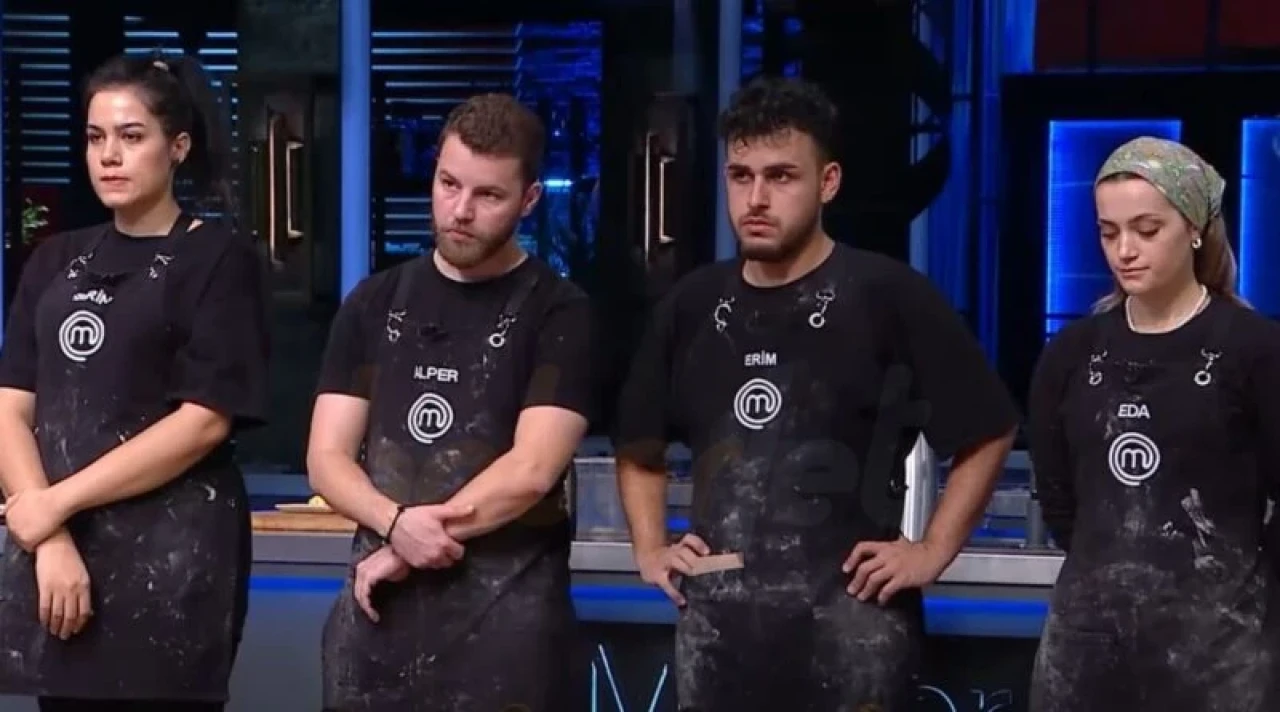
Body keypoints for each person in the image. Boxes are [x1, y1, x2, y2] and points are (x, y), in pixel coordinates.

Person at [613, 75, 1019, 711]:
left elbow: (989, 428)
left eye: (781, 177)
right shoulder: (691, 307)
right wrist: (649, 547)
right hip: (719, 642)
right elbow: (639, 447)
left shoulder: (889, 296)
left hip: (855, 634)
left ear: (828, 182)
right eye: (741, 176)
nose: (756, 198)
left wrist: (932, 550)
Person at [308, 93, 595, 712]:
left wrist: (412, 543)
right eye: (448, 184)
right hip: (375, 624)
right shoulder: (374, 301)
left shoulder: (561, 312)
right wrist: (394, 524)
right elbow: (326, 458)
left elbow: (532, 469)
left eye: (488, 195)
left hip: (508, 633)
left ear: (529, 200)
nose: (461, 211)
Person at [0, 52, 269, 712]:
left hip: (171, 557)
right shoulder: (54, 259)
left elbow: (203, 421)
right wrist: (50, 536)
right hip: (57, 557)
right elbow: (10, 409)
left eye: (131, 136)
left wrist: (53, 505)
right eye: (96, 138)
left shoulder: (218, 259)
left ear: (178, 147)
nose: (109, 157)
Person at [1027, 137, 1280, 711]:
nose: (1125, 251)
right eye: (1108, 232)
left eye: (1146, 230)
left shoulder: (1255, 350)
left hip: (1221, 650)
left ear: (1194, 229)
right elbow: (1060, 499)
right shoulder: (1071, 354)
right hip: (1086, 647)